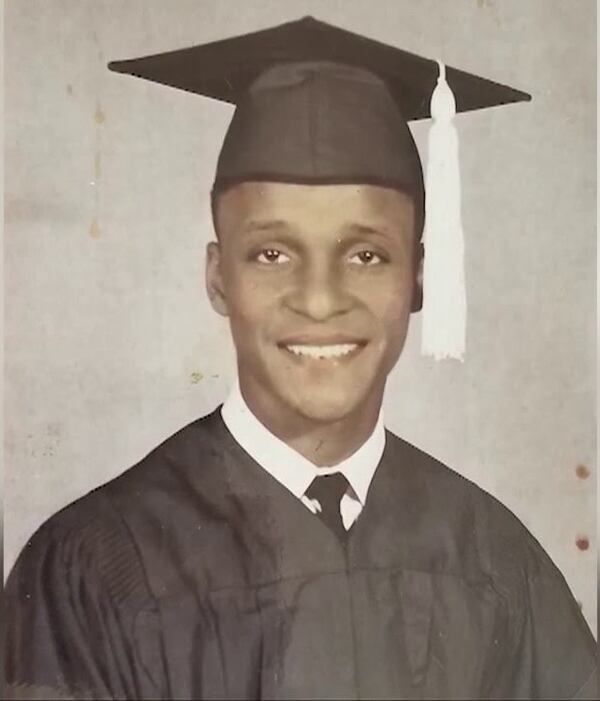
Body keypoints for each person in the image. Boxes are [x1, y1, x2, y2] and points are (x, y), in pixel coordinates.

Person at [4, 16, 597, 701]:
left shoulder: (494, 558)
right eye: (272, 253)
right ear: (218, 276)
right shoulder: (94, 566)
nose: (320, 300)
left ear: (419, 280)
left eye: (366, 254)